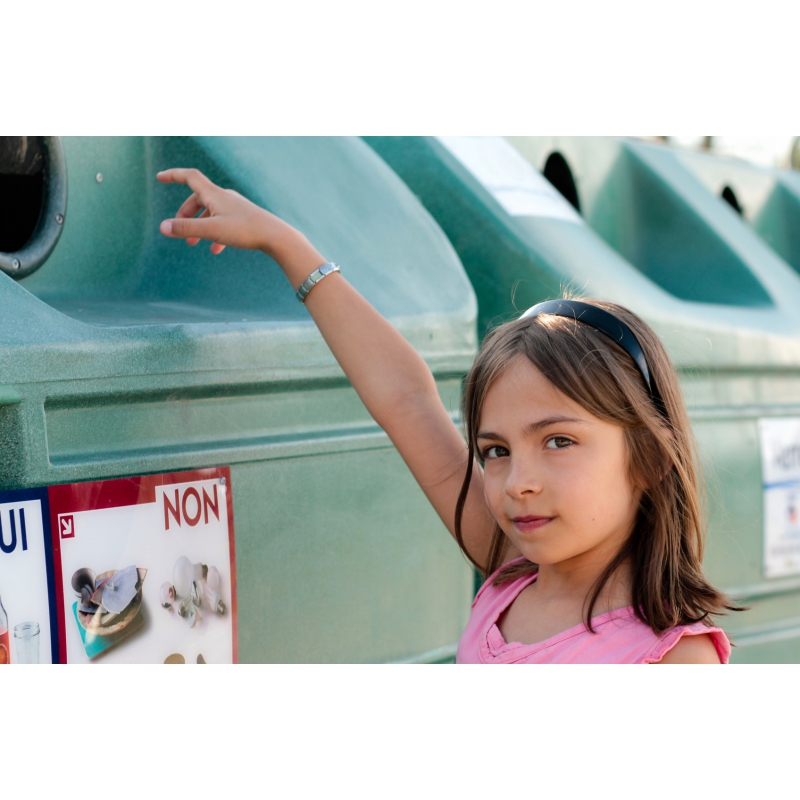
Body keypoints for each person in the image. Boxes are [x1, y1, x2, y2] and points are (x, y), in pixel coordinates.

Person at [157, 167, 740, 664]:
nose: (518, 482)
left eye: (558, 441)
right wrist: (286, 245)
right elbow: (407, 401)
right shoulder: (513, 574)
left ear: (651, 458)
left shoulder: (671, 658)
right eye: (495, 451)